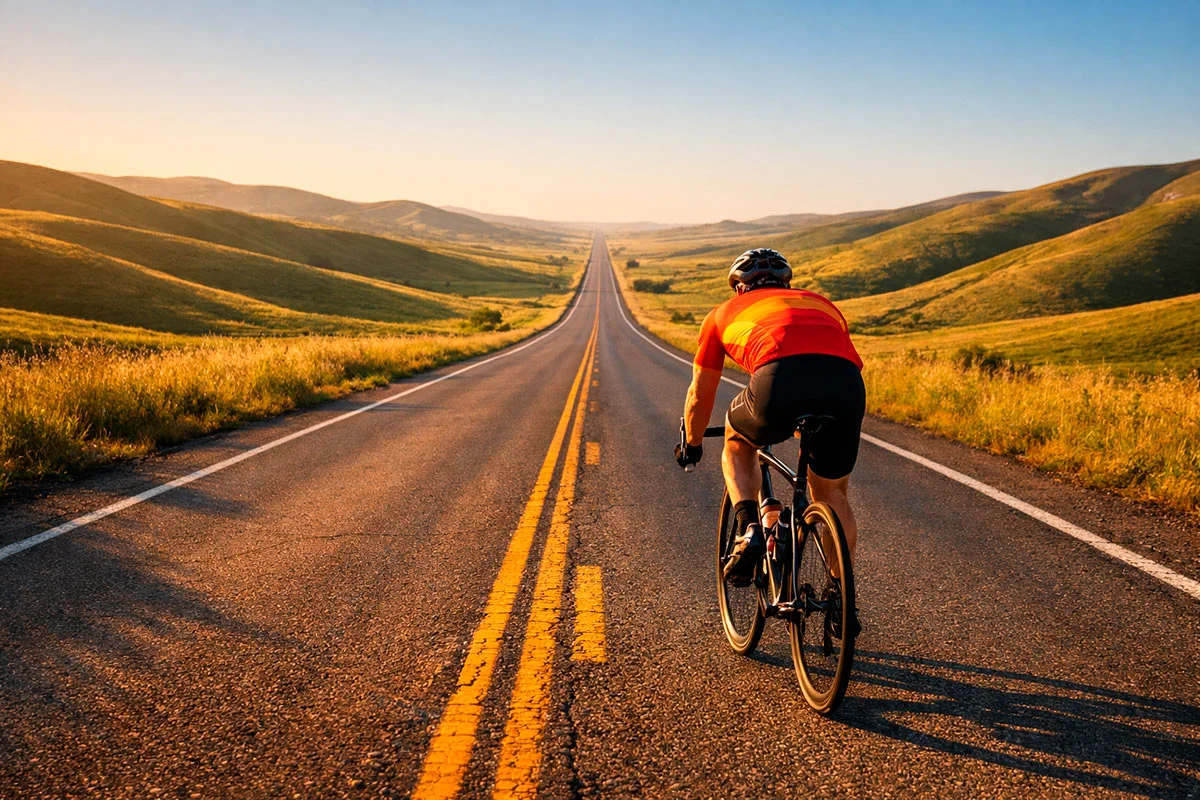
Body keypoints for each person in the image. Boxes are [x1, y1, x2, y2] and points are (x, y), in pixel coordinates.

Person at [673, 248, 865, 633]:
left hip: (779, 382)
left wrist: (691, 443)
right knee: (831, 494)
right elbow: (823, 360)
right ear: (787, 284)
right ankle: (842, 600)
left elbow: (700, 394)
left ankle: (748, 528)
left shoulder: (722, 314)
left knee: (737, 440)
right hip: (846, 386)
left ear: (739, 288)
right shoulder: (823, 304)